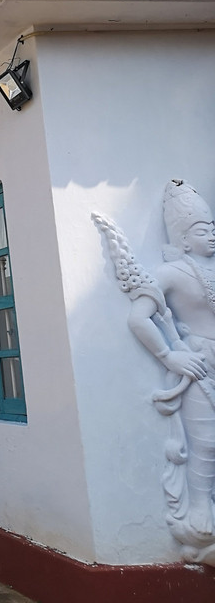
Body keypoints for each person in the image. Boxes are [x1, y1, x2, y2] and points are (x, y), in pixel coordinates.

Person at [128, 180, 214, 537]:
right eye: (201, 229)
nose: (210, 235)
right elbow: (137, 318)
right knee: (206, 440)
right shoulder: (170, 273)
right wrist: (169, 355)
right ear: (181, 238)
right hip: (197, 362)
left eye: (212, 228)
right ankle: (200, 506)